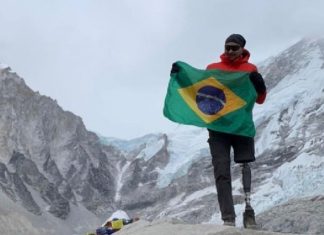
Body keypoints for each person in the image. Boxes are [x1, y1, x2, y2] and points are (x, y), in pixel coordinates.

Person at [206, 34, 266, 227]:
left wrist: (259, 85)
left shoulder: (250, 70)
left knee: (245, 165)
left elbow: (260, 99)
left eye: (234, 48)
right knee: (221, 171)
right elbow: (198, 91)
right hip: (218, 129)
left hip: (241, 126)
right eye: (227, 47)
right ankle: (228, 219)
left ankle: (248, 212)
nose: (230, 51)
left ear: (242, 49)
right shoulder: (213, 69)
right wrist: (180, 75)